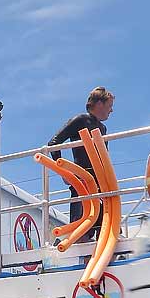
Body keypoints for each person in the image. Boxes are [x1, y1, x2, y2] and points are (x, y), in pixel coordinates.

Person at [47, 86, 115, 242]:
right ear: (99, 104)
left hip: (100, 185)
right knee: (81, 228)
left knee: (104, 226)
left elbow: (105, 157)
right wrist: (64, 172)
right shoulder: (81, 120)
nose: (111, 111)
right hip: (82, 182)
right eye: (109, 106)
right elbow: (53, 143)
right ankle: (71, 248)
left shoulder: (103, 128)